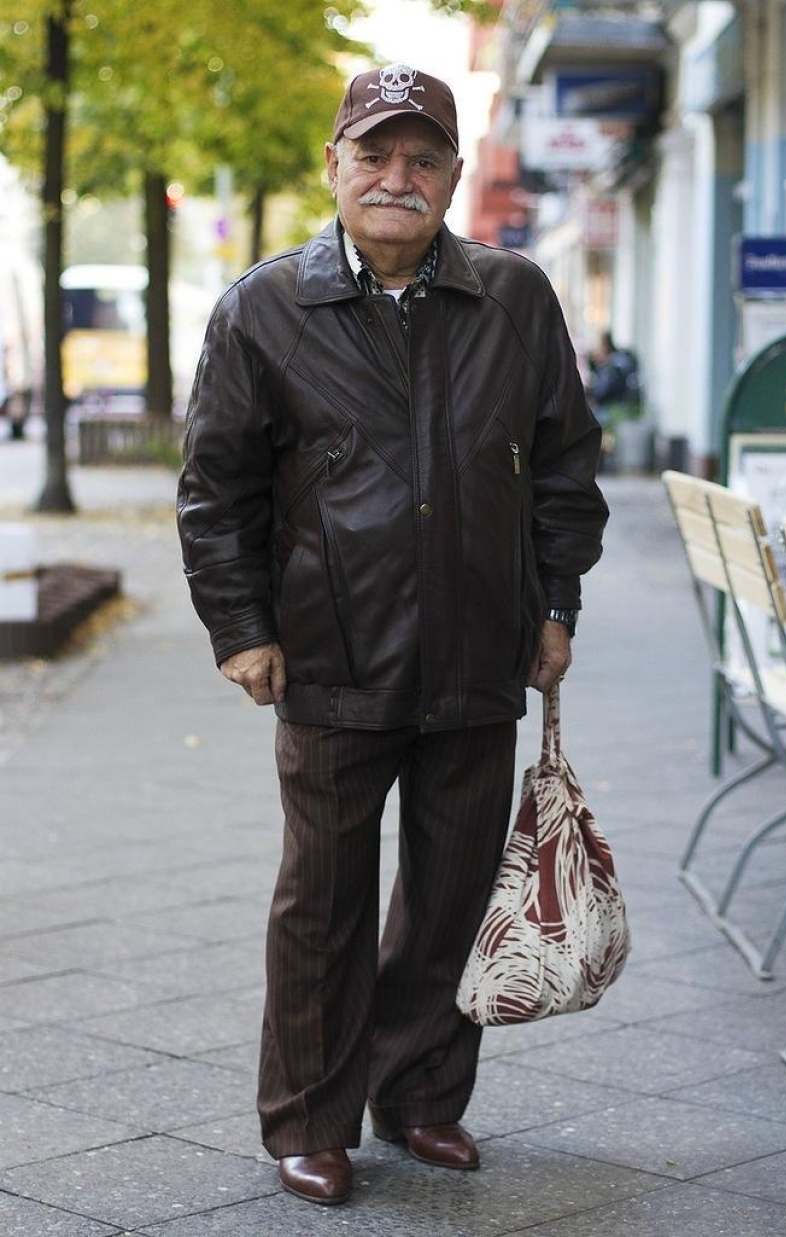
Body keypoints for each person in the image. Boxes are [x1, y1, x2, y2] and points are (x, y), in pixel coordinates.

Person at [177, 63, 608, 1208]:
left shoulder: (516, 299)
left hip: (481, 653)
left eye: (423, 158)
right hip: (328, 656)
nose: (398, 177)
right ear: (335, 167)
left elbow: (567, 467)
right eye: (375, 154)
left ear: (455, 176)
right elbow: (215, 492)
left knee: (453, 890)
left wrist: (556, 603)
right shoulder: (265, 308)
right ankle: (310, 1117)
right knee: (322, 899)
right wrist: (241, 630)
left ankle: (418, 1097)